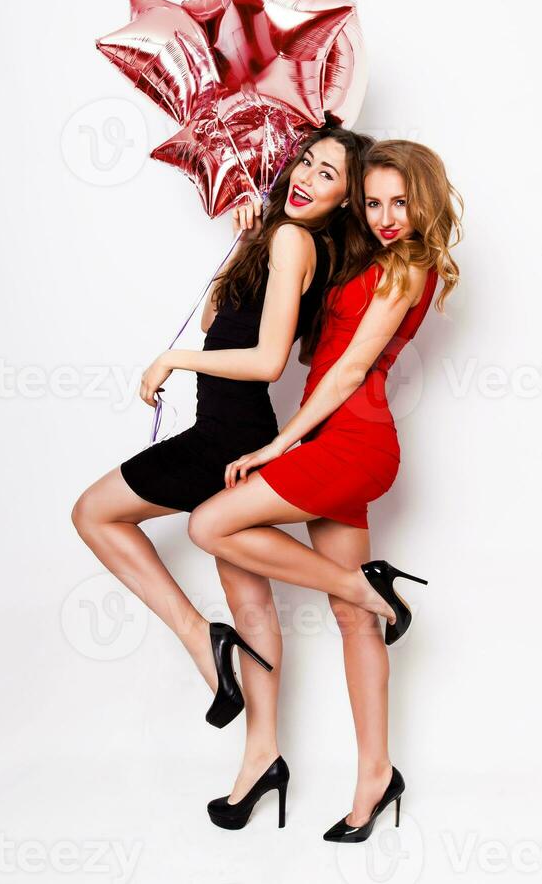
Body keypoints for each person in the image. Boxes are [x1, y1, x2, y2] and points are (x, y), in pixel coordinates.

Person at [187, 139, 463, 841]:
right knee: (352, 620)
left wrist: (281, 442)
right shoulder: (367, 261)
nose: (386, 215)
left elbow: (345, 375)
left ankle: (369, 587)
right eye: (373, 202)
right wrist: (255, 237)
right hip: (333, 438)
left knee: (211, 525)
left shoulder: (410, 266)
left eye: (400, 201)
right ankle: (377, 776)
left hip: (353, 440)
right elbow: (313, 352)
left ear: (425, 199)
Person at [70, 124, 375, 731]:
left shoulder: (294, 240)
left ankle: (200, 639)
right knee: (250, 601)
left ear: (345, 198)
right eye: (306, 162)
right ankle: (263, 756)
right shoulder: (277, 235)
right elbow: (215, 315)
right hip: (235, 431)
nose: (306, 179)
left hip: (226, 434)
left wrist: (174, 358)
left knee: (93, 513)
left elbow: (266, 361)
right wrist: (245, 241)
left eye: (327, 175)